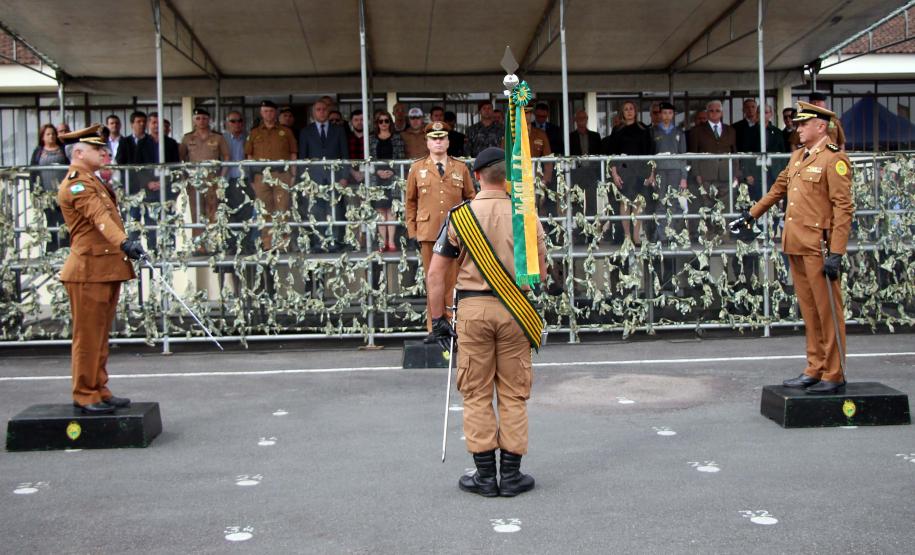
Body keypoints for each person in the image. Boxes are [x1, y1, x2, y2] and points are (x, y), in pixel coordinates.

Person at [426, 147, 548, 497]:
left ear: (477, 176)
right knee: (513, 393)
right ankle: (510, 475)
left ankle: (484, 476)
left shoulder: (460, 217)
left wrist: (438, 320)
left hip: (473, 310)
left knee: (477, 392)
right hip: (515, 310)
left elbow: (435, 275)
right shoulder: (526, 215)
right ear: (507, 178)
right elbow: (540, 272)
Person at [730, 102, 854, 394]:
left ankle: (834, 372)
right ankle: (815, 367)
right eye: (797, 124)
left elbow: (843, 208)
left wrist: (837, 252)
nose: (798, 129)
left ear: (820, 127)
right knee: (809, 310)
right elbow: (778, 189)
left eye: (803, 124)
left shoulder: (834, 159)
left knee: (827, 311)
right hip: (796, 241)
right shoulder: (799, 155)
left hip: (819, 246)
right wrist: (751, 215)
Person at [56, 125, 145, 414]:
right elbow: (99, 217)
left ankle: (99, 387)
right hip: (88, 270)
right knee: (88, 336)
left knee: (100, 334)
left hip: (103, 268)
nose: (103, 153)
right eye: (97, 149)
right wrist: (124, 243)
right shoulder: (77, 184)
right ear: (79, 153)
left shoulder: (92, 180)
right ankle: (85, 393)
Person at [405, 121, 475, 336]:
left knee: (453, 280)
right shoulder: (417, 168)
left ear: (448, 141)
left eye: (442, 138)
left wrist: (468, 228)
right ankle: (434, 327)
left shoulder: (460, 167)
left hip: (455, 232)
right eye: (433, 138)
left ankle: (453, 325)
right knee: (433, 279)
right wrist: (412, 231)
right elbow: (410, 202)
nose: (438, 142)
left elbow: (471, 198)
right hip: (428, 232)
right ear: (427, 142)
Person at [246, 100, 297, 250]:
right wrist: (251, 178)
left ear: (276, 113)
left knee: (283, 209)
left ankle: (282, 244)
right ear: (261, 113)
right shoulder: (254, 133)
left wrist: (293, 175)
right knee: (265, 211)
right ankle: (268, 244)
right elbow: (249, 156)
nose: (268, 114)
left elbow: (293, 153)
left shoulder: (286, 131)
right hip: (261, 176)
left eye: (271, 111)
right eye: (265, 111)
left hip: (282, 174)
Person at [298, 99, 349, 251]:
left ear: (328, 111)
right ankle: (319, 242)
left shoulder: (338, 130)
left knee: (336, 210)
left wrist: (344, 176)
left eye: (324, 109)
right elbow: (303, 158)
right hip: (314, 179)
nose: (321, 112)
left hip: (335, 177)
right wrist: (305, 181)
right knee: (316, 211)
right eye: (318, 109)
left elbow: (344, 155)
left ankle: (335, 242)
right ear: (313, 113)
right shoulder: (306, 131)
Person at [602, 100, 654, 245]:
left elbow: (650, 151)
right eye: (626, 109)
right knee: (624, 203)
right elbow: (611, 153)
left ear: (635, 111)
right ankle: (627, 237)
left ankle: (636, 237)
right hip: (623, 170)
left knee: (638, 202)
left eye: (631, 108)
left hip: (641, 169)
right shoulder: (617, 130)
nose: (629, 111)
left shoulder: (643, 128)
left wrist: (651, 172)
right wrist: (614, 174)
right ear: (622, 112)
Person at [179, 108, 230, 250]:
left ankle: (212, 245)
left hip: (212, 180)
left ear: (209, 120)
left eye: (204, 118)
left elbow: (226, 156)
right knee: (196, 213)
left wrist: (221, 177)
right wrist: (184, 177)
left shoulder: (218, 137)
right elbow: (181, 158)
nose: (201, 121)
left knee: (213, 212)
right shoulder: (188, 138)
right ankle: (199, 247)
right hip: (194, 180)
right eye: (198, 118)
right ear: (194, 120)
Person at [688, 99, 737, 236]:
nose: (714, 113)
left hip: (726, 173)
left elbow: (734, 153)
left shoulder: (730, 130)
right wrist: (697, 174)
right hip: (706, 175)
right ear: (707, 112)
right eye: (711, 111)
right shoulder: (697, 131)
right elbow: (693, 154)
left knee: (725, 206)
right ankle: (709, 236)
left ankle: (723, 235)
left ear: (722, 113)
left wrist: (736, 173)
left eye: (717, 111)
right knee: (707, 206)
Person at [134, 112, 180, 248]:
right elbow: (138, 168)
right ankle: (152, 250)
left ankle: (169, 249)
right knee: (150, 222)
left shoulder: (171, 143)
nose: (156, 126)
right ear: (149, 124)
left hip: (167, 188)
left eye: (159, 123)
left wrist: (165, 182)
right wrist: (148, 183)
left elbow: (175, 166)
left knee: (169, 220)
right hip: (149, 190)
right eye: (153, 123)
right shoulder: (142, 143)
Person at [650, 102, 688, 244]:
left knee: (673, 202)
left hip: (675, 171)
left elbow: (683, 155)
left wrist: (684, 177)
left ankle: (671, 234)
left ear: (673, 115)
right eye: (664, 113)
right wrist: (651, 174)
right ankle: (662, 236)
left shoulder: (679, 132)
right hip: (659, 170)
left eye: (670, 113)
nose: (667, 116)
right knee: (660, 202)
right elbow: (650, 155)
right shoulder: (653, 131)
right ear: (660, 114)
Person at [368, 111, 406, 251]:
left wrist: (393, 171)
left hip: (393, 177)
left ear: (390, 122)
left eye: (386, 121)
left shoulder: (397, 138)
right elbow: (369, 159)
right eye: (380, 121)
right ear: (377, 123)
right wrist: (377, 171)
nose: (383, 123)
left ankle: (391, 242)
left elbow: (401, 158)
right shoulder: (371, 139)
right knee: (380, 211)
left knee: (391, 210)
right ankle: (383, 242)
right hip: (377, 178)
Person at [30, 123, 70, 251]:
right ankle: (51, 251)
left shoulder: (63, 149)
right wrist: (34, 192)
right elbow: (33, 172)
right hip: (46, 194)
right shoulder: (38, 151)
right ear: (42, 136)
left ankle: (65, 250)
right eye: (48, 134)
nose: (51, 136)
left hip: (63, 193)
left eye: (53, 134)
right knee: (51, 223)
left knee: (64, 222)